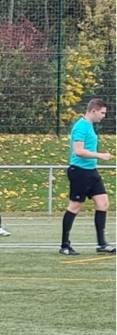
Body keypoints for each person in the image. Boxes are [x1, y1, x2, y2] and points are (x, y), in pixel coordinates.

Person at [60, 98, 114, 255]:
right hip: (79, 172)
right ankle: (64, 245)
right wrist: (100, 155)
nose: (103, 116)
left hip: (91, 171)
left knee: (103, 203)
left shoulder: (89, 126)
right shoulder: (81, 126)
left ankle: (102, 244)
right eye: (102, 113)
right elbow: (78, 151)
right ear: (93, 111)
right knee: (74, 206)